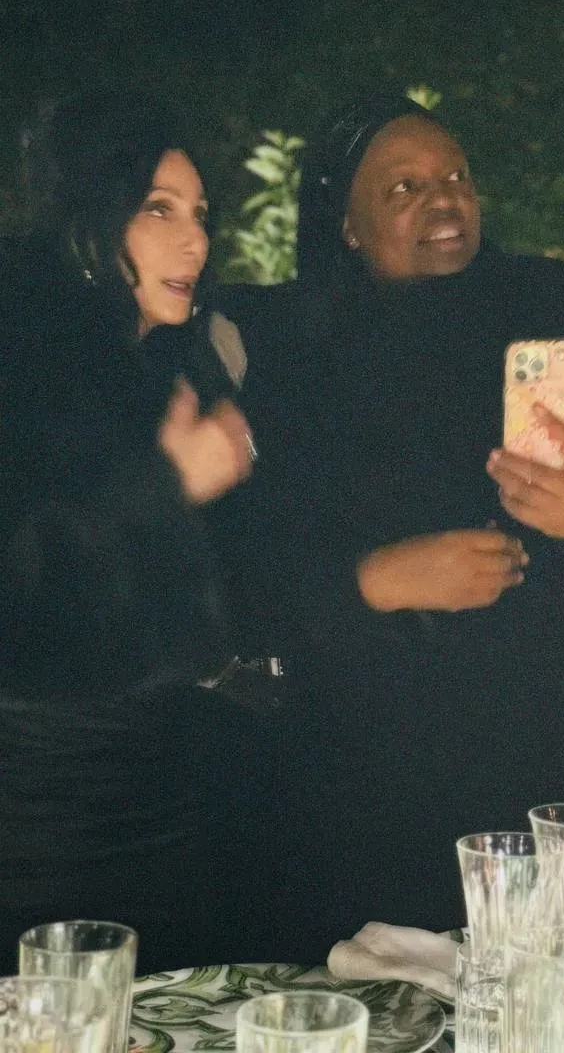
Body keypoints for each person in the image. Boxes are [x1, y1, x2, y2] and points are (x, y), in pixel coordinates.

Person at [222, 94, 564, 956]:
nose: (444, 199)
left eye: (456, 177)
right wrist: (374, 582)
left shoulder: (551, 308)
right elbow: (234, 584)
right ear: (346, 226)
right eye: (403, 188)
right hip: (377, 797)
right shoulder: (284, 350)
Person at [0, 90, 273, 972]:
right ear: (89, 213)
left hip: (168, 776)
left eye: (200, 214)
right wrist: (168, 486)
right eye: (159, 210)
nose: (194, 241)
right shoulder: (23, 354)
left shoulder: (170, 363)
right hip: (38, 804)